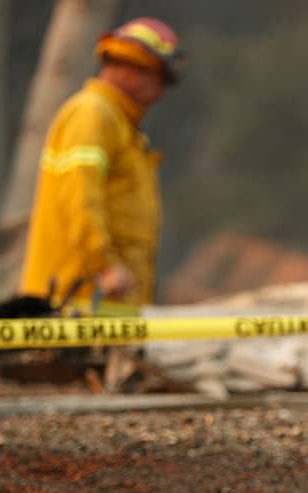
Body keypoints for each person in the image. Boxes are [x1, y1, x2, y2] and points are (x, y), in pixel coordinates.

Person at [18, 17, 185, 306]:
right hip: (80, 300)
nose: (160, 94)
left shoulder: (118, 123)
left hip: (111, 301)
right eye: (161, 81)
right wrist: (105, 267)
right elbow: (80, 198)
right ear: (133, 69)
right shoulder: (93, 114)